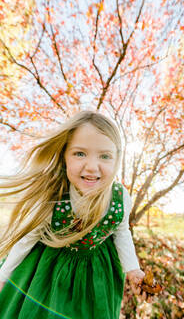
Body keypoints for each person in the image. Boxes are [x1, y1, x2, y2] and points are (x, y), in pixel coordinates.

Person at [0, 111, 144, 319]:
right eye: (79, 153)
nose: (92, 167)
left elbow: (121, 232)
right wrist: (3, 277)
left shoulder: (119, 197)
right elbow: (27, 238)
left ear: (116, 159)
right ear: (64, 156)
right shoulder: (54, 196)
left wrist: (132, 269)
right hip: (51, 271)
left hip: (96, 274)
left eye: (104, 156)